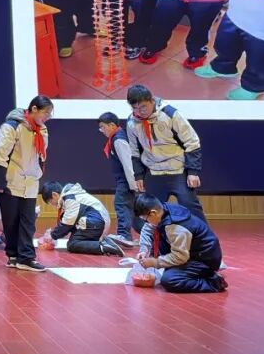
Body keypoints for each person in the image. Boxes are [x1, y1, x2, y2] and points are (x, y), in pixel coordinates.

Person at [124, 84, 207, 222]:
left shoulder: (170, 114)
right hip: (153, 171)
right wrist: (138, 176)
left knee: (191, 208)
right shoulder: (131, 122)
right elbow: (134, 151)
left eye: (143, 107)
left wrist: (193, 172)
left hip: (178, 170)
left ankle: (203, 235)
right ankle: (157, 235)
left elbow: (192, 142)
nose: (139, 112)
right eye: (135, 108)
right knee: (144, 215)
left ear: (152, 100)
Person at [0, 95, 53, 272]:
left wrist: (39, 171)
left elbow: (42, 155)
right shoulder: (12, 126)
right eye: (45, 113)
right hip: (11, 180)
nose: (48, 117)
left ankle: (26, 257)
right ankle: (13, 256)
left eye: (50, 114)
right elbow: (0, 154)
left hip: (31, 182)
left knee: (28, 221)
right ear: (34, 109)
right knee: (11, 221)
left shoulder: (42, 130)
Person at [134, 194, 227, 293]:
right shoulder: (163, 210)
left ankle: (213, 282)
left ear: (153, 213)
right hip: (190, 253)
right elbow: (148, 229)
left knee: (169, 280)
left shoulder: (176, 227)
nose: (146, 222)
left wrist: (155, 262)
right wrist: (144, 250)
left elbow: (180, 257)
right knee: (165, 260)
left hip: (205, 259)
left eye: (145, 219)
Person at [40, 180, 124, 255]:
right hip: (96, 221)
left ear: (54, 195)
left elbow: (66, 225)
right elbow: (67, 222)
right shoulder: (70, 195)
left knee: (73, 244)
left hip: (97, 221)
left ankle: (104, 246)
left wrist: (52, 236)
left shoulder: (70, 199)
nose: (53, 205)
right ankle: (103, 241)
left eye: (50, 202)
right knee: (73, 236)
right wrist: (54, 234)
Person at [98, 111, 141, 247]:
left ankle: (124, 235)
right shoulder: (116, 138)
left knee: (121, 204)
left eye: (103, 127)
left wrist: (133, 185)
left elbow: (128, 164)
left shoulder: (119, 140)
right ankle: (149, 236)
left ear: (112, 125)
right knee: (135, 210)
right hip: (126, 180)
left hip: (127, 181)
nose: (101, 130)